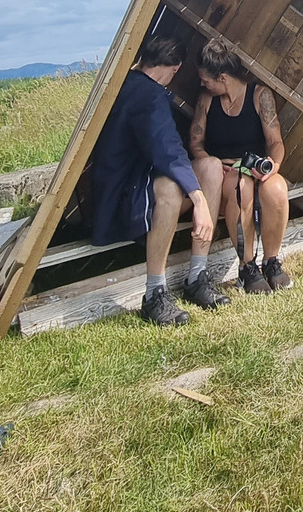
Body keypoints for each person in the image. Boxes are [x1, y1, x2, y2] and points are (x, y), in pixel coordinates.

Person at [92, 32, 217, 327]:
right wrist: (199, 201)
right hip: (121, 201)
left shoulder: (132, 85)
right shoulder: (146, 95)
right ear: (175, 69)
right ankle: (154, 294)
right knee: (171, 189)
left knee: (210, 167)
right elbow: (168, 151)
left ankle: (198, 275)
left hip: (129, 188)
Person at [190, 37, 292, 295]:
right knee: (240, 188)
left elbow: (276, 142)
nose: (203, 83)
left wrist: (272, 165)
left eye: (206, 79)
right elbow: (195, 143)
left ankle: (271, 261)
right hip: (225, 173)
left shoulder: (260, 96)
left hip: (256, 168)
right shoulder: (206, 100)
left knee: (277, 189)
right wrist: (211, 163)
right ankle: (247, 266)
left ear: (223, 78)